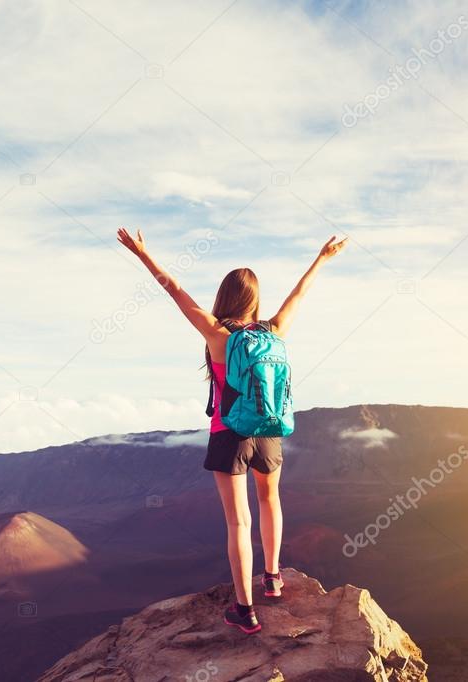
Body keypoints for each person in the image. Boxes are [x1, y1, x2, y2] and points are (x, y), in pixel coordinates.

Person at [116, 227, 348, 634]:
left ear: (225, 298)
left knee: (238, 523)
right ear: (255, 301)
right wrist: (321, 259)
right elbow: (299, 295)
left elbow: (175, 291)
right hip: (269, 429)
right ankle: (272, 579)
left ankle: (245, 611)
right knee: (270, 501)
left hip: (229, 433)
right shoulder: (272, 332)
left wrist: (142, 253)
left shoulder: (217, 334)